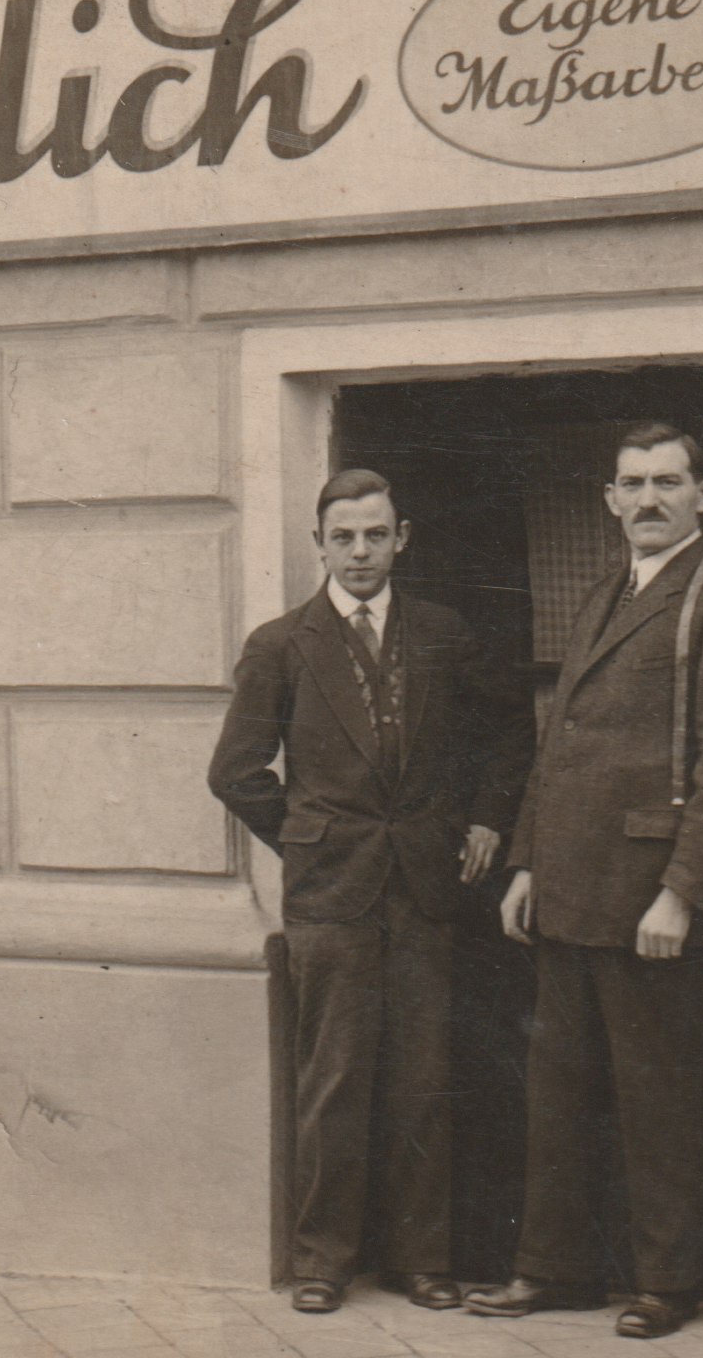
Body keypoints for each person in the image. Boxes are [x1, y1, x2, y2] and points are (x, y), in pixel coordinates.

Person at [467, 422, 703, 1339]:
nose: (648, 500)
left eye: (667, 483)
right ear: (609, 499)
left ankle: (667, 1283)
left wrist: (683, 890)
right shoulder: (606, 592)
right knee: (557, 1095)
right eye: (633, 484)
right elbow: (560, 740)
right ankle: (553, 1270)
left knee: (658, 1100)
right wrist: (527, 863)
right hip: (569, 889)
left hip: (648, 899)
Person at [210, 469, 526, 1313]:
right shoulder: (282, 644)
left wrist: (488, 818)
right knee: (335, 1081)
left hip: (425, 888)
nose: (360, 552)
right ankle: (323, 1262)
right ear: (319, 545)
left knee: (424, 1081)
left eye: (375, 535)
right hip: (331, 899)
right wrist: (309, 839)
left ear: (402, 539)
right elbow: (235, 771)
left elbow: (508, 730)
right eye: (344, 537)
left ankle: (421, 1261)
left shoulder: (442, 634)